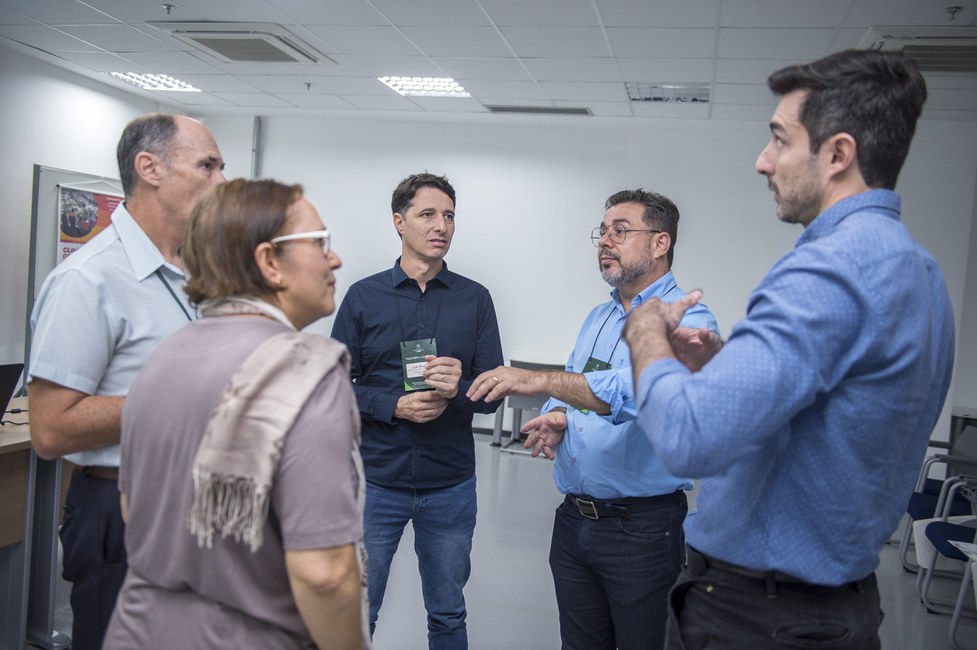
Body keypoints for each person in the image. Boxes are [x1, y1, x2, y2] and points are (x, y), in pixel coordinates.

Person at [623, 50, 955, 650]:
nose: (762, 161)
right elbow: (837, 420)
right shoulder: (918, 268)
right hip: (833, 608)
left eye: (779, 139)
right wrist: (723, 369)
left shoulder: (828, 271)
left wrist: (646, 333)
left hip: (758, 619)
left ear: (837, 154)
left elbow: (687, 438)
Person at [103, 179, 369, 649]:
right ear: (270, 262)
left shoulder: (164, 357)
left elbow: (133, 508)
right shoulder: (306, 372)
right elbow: (324, 574)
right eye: (319, 243)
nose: (335, 259)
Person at [468, 189, 719, 650]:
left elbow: (635, 392)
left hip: (641, 531)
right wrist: (557, 414)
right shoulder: (598, 318)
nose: (605, 240)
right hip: (574, 523)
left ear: (660, 243)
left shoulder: (689, 319)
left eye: (620, 231)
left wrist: (536, 381)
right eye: (601, 232)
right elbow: (577, 384)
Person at [28, 113, 225, 649]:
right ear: (150, 168)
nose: (222, 183)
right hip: (121, 508)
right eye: (207, 165)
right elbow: (49, 429)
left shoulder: (194, 273)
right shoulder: (87, 279)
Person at [330, 172, 504, 648]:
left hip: (450, 486)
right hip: (377, 483)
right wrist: (394, 405)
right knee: (357, 611)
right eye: (428, 214)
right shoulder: (364, 297)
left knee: (448, 613)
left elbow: (493, 395)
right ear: (398, 222)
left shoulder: (475, 299)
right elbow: (332, 388)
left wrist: (460, 389)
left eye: (449, 216)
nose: (441, 225)